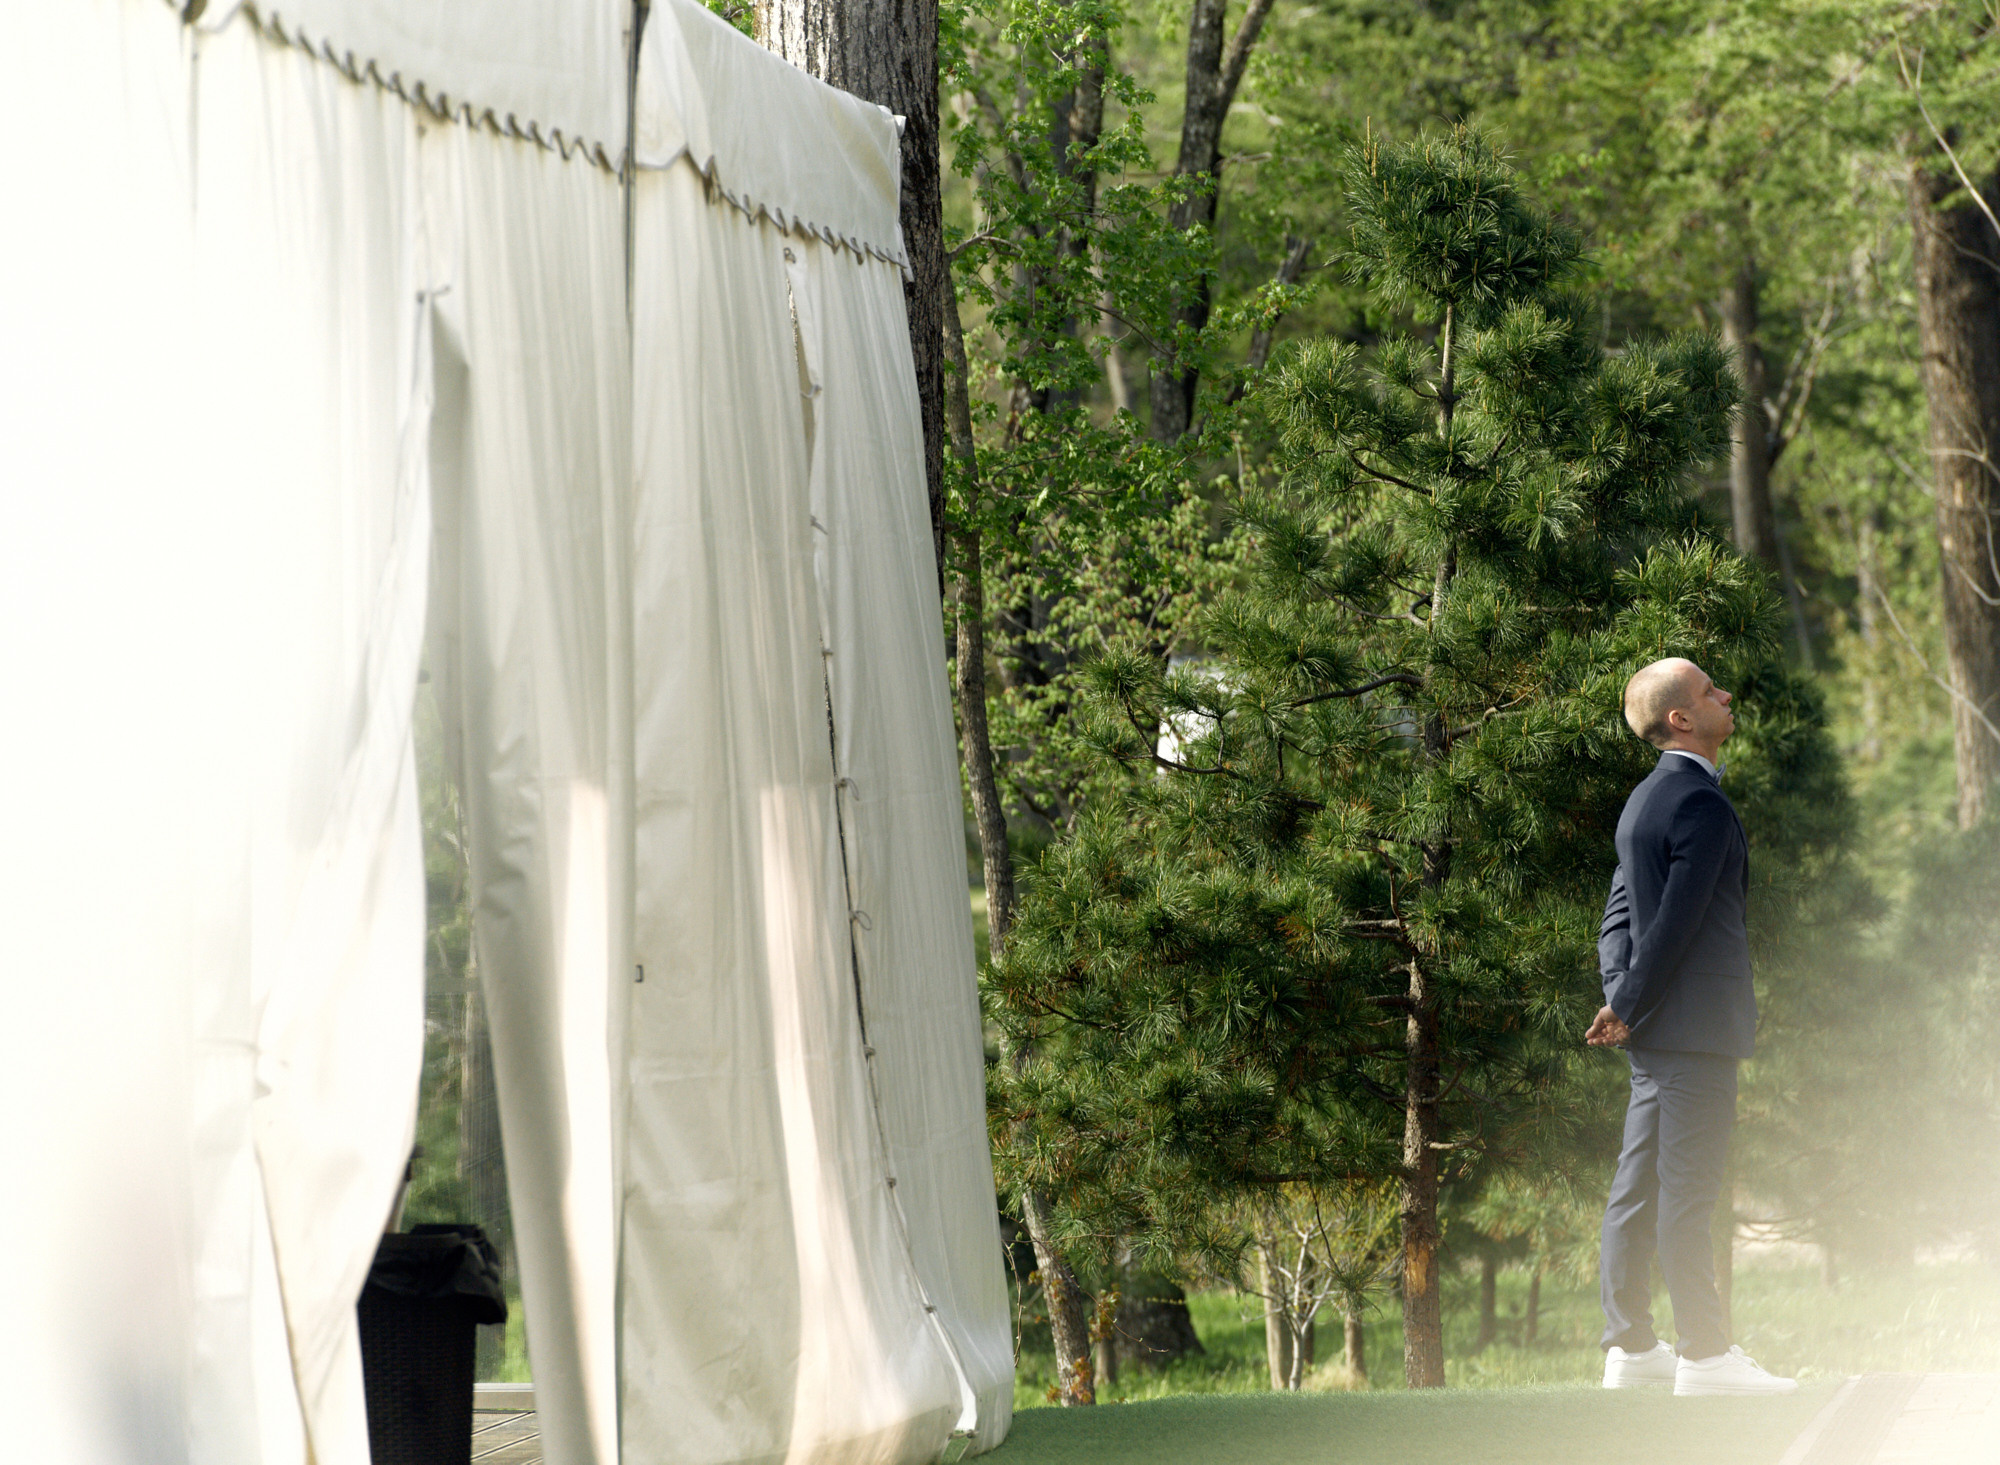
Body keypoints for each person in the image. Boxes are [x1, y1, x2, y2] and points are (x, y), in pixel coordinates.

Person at [1587, 658, 1798, 1397]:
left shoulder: (1643, 801)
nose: (1726, 695)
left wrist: (1623, 1000)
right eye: (1711, 690)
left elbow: (1617, 921)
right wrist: (1632, 1003)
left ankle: (1631, 1346)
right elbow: (1673, 923)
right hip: (1695, 1033)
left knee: (1636, 1188)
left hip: (1653, 1036)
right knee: (1687, 1194)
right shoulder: (1701, 805)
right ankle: (1705, 1355)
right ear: (1682, 718)